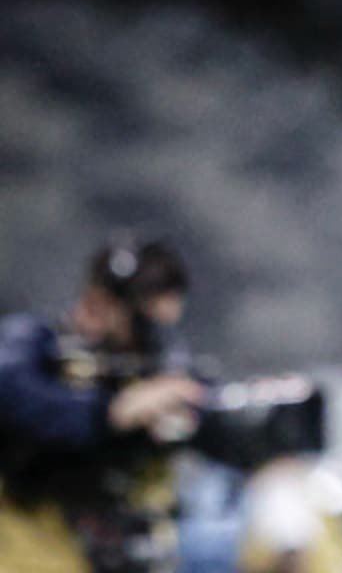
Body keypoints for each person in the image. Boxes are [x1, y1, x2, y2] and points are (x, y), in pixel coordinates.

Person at [0, 238, 205, 573]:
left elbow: (208, 415)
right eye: (144, 322)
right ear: (100, 305)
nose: (154, 337)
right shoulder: (35, 343)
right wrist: (110, 412)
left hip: (128, 550)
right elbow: (10, 392)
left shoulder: (162, 370)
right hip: (32, 545)